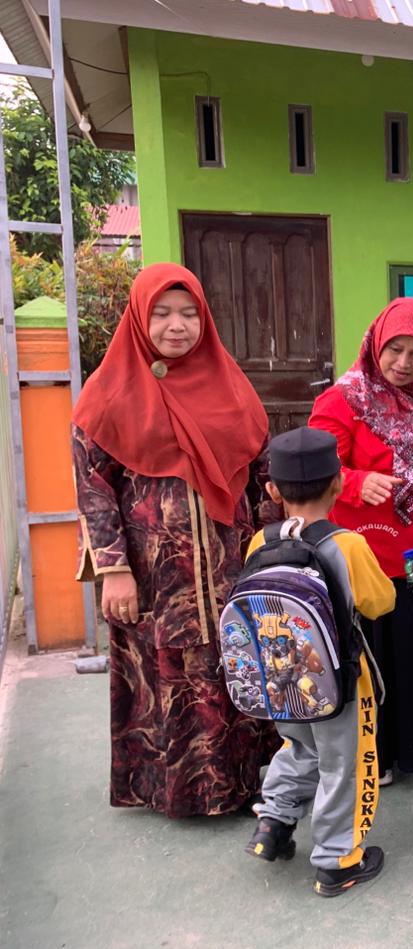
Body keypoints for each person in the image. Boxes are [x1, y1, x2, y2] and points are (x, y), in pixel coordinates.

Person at [72, 262, 278, 817]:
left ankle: (247, 784)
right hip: (153, 574)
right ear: (140, 319)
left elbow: (261, 475)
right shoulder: (106, 394)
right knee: (167, 671)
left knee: (236, 660)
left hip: (231, 564)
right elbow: (93, 488)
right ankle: (178, 790)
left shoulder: (231, 387)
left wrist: (274, 546)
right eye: (161, 314)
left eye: (189, 314)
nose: (177, 326)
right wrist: (113, 567)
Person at [309, 298, 413, 783]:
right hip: (365, 553)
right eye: (395, 349)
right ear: (376, 343)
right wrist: (356, 482)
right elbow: (317, 467)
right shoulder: (345, 399)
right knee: (374, 654)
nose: (403, 363)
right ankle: (376, 751)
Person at [243, 428, 396, 896]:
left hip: (280, 678)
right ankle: (337, 861)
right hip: (337, 681)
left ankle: (273, 822)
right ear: (337, 485)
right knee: (343, 763)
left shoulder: (259, 541)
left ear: (272, 491)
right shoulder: (345, 544)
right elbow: (381, 602)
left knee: (299, 748)